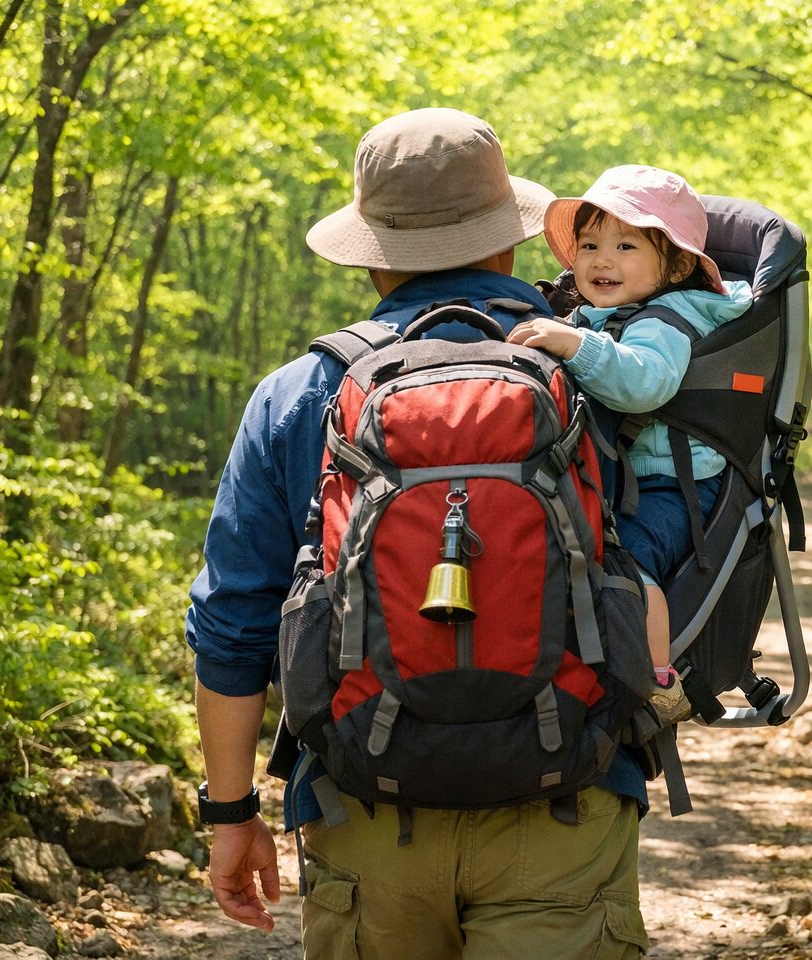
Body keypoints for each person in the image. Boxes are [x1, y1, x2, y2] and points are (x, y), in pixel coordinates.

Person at [186, 108, 650, 959]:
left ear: (373, 257)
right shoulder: (601, 372)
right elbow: (666, 564)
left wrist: (230, 815)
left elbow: (232, 622)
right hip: (566, 794)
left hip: (365, 801)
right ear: (509, 241)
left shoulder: (298, 393)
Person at [506, 165, 753, 722]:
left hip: (673, 485)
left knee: (629, 566)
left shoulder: (664, 320)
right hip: (629, 477)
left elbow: (644, 384)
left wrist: (576, 346)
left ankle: (659, 681)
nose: (600, 259)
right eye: (589, 244)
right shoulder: (608, 315)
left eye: (625, 245)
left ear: (678, 264)